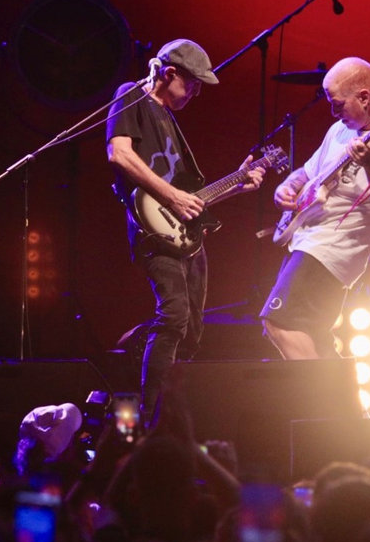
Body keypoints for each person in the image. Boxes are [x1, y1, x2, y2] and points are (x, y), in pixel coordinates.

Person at [106, 39, 265, 424]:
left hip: (186, 235)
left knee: (191, 329)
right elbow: (119, 153)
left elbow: (192, 200)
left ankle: (167, 400)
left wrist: (237, 185)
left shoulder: (170, 120)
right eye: (192, 84)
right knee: (175, 315)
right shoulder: (131, 96)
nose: (195, 93)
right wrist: (172, 197)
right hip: (152, 230)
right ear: (169, 73)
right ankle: (150, 418)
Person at [260, 56, 370, 360]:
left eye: (338, 104)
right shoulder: (339, 130)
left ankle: (314, 393)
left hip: (331, 252)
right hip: (305, 240)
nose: (333, 113)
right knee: (314, 337)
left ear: (364, 97)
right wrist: (287, 187)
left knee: (279, 324)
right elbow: (307, 172)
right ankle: (341, 391)